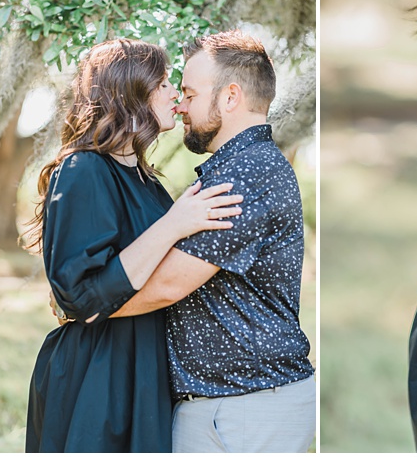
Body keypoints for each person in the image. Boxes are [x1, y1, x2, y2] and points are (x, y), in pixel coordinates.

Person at [25, 38, 244, 452]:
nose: (175, 94)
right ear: (131, 93)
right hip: (97, 376)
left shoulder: (149, 183)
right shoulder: (83, 169)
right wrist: (174, 223)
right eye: (162, 84)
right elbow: (79, 296)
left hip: (145, 371)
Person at [111, 30, 316, 453]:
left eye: (189, 93)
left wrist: (86, 307)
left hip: (248, 408)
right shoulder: (236, 168)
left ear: (230, 97)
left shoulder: (247, 174)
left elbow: (170, 283)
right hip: (229, 405)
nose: (180, 105)